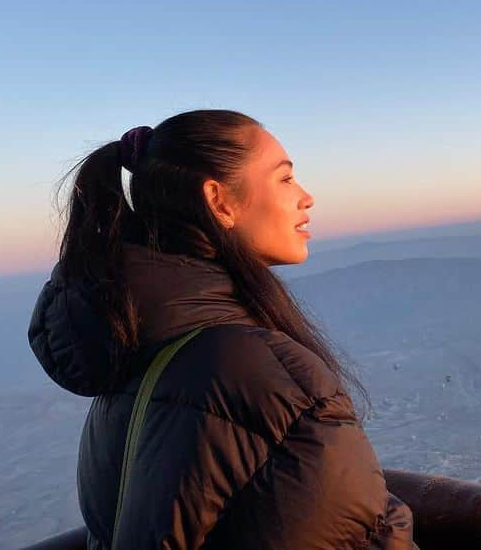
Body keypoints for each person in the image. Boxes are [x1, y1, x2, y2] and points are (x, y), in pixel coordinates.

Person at [28, 109, 417, 549]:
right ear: (219, 202)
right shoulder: (264, 376)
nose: (307, 198)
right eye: (286, 179)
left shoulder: (135, 355)